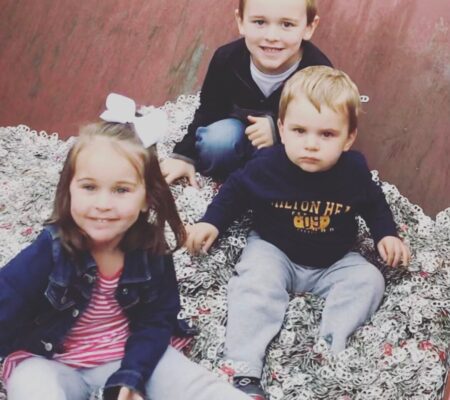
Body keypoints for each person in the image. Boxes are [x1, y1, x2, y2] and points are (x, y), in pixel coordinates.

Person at [0, 94, 252, 400]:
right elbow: (6, 300)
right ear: (69, 189)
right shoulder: (51, 249)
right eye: (89, 187)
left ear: (146, 196)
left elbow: (156, 318)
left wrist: (132, 374)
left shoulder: (151, 251)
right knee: (33, 389)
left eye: (121, 190)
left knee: (194, 385)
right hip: (49, 360)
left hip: (124, 352)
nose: (103, 205)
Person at [185, 66, 411, 400]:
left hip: (333, 261)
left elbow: (374, 202)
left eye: (327, 135)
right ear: (282, 129)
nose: (310, 144)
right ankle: (244, 369)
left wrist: (385, 235)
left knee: (369, 280)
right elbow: (235, 191)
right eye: (300, 130)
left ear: (349, 137)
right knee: (254, 283)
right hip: (275, 249)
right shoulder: (267, 165)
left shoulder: (353, 171)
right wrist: (211, 222)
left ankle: (329, 348)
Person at [161, 0, 332, 186]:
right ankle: (232, 183)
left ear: (309, 27)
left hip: (286, 148)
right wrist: (184, 156)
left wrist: (277, 129)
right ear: (241, 21)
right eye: (259, 22)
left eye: (287, 24)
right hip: (237, 135)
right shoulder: (226, 59)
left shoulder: (318, 72)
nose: (272, 36)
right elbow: (209, 110)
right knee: (216, 141)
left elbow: (322, 128)